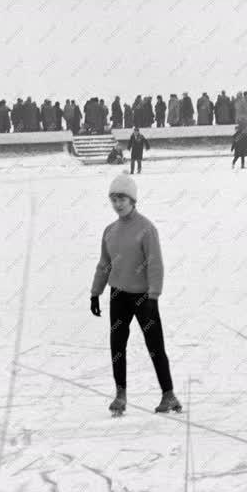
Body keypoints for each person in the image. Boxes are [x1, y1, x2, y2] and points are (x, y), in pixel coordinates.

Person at [90, 173, 181, 416]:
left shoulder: (146, 229)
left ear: (132, 200)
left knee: (155, 346)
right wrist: (95, 292)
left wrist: (153, 295)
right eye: (114, 199)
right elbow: (104, 264)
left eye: (122, 198)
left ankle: (168, 394)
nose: (118, 204)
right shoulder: (109, 231)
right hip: (118, 294)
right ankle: (120, 395)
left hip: (143, 297)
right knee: (117, 346)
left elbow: (155, 264)